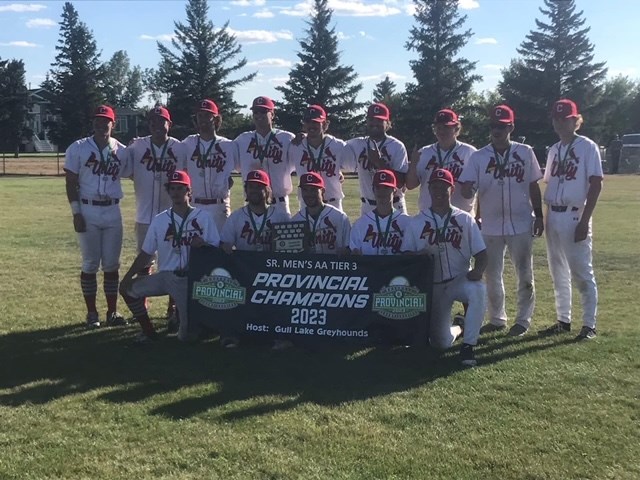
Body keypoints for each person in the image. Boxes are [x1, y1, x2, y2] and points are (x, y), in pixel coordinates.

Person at [459, 105, 544, 337]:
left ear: (511, 127)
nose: (497, 130)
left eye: (502, 126)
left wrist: (539, 214)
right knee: (491, 273)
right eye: (493, 126)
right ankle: (497, 318)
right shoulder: (479, 156)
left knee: (525, 272)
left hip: (521, 221)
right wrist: (467, 190)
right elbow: (467, 191)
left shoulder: (525, 152)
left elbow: (533, 184)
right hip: (491, 223)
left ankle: (523, 320)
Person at [119, 170, 220, 344]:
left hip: (191, 279)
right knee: (126, 290)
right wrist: (127, 277)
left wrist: (203, 244)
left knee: (186, 337)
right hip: (166, 276)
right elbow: (146, 253)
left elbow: (216, 248)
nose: (176, 193)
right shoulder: (160, 220)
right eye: (172, 188)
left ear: (189, 191)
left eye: (180, 188)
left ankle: (187, 320)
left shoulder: (203, 217)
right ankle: (149, 332)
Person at [539, 99, 603, 340]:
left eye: (565, 118)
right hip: (553, 213)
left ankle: (589, 324)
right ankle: (563, 320)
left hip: (575, 213)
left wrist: (585, 220)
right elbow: (550, 182)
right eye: (556, 118)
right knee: (558, 271)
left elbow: (596, 183)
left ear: (576, 120)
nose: (560, 123)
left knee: (581, 272)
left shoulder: (588, 147)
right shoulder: (554, 149)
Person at [411, 169, 487, 367]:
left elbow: (481, 253)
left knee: (478, 290)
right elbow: (406, 256)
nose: (438, 190)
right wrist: (417, 257)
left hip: (459, 279)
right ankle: (459, 327)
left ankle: (468, 346)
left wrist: (478, 271)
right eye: (434, 186)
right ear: (428, 188)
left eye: (443, 186)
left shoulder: (464, 219)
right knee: (440, 343)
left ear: (451, 189)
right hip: (433, 286)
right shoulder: (417, 222)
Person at [64, 105, 128, 329]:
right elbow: (71, 182)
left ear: (114, 123)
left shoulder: (122, 150)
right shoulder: (79, 148)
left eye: (106, 121)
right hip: (88, 209)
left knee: (111, 264)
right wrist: (75, 212)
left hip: (112, 210)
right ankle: (92, 313)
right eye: (98, 121)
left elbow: (135, 173)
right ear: (93, 123)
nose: (102, 125)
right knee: (91, 263)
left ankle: (112, 311)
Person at [122, 106, 183, 329]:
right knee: (144, 260)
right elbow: (122, 166)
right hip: (145, 213)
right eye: (154, 123)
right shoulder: (137, 146)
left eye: (162, 122)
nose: (158, 126)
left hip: (172, 215)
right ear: (149, 125)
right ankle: (143, 303)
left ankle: (173, 307)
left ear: (170, 124)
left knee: (174, 260)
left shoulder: (179, 147)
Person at [220, 170, 290, 349]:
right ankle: (233, 334)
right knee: (234, 294)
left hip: (272, 273)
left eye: (259, 187)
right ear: (246, 190)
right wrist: (226, 247)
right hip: (246, 272)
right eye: (251, 187)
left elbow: (290, 248)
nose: (254, 191)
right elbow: (225, 243)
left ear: (267, 191)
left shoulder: (280, 216)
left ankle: (280, 336)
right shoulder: (236, 217)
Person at [178, 99, 238, 233]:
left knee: (219, 248)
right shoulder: (187, 143)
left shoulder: (229, 145)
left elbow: (245, 167)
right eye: (200, 116)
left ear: (216, 120)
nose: (203, 119)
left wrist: (225, 181)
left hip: (219, 205)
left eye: (207, 115)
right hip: (195, 204)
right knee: (195, 250)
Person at [406, 108, 477, 214]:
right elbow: (410, 185)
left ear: (457, 128)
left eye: (446, 127)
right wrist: (413, 165)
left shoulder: (470, 152)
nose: (442, 131)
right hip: (429, 216)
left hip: (460, 217)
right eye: (438, 127)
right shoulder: (424, 152)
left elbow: (480, 190)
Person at [344, 103, 409, 215]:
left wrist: (379, 162)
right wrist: (307, 136)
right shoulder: (357, 144)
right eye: (371, 119)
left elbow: (401, 183)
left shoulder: (397, 146)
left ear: (388, 123)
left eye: (379, 120)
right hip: (368, 206)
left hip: (394, 205)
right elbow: (332, 146)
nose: (375, 123)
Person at [234, 96, 295, 215]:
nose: (259, 115)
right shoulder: (242, 140)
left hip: (279, 203)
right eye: (255, 112)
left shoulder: (287, 138)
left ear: (272, 114)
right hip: (252, 204)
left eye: (263, 111)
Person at [288, 105, 349, 211]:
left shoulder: (338, 145)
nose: (311, 125)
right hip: (306, 204)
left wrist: (338, 172)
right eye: (308, 122)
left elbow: (354, 166)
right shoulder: (295, 146)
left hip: (332, 203)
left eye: (316, 122)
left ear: (325, 124)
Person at [350, 170, 414, 255]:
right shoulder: (360, 224)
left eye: (386, 188)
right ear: (373, 190)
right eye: (378, 187)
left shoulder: (407, 222)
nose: (382, 192)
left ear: (394, 190)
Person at [291, 171, 351, 254]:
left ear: (322, 191)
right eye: (305, 190)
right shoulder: (295, 221)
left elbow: (349, 248)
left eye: (313, 190)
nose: (309, 194)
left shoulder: (340, 217)